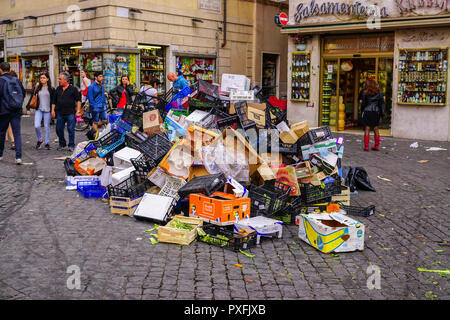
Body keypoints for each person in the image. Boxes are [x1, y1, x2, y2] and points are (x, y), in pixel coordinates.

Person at [0, 62, 26, 164]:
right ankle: (18, 157)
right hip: (16, 111)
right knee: (17, 134)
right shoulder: (17, 80)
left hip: (4, 111)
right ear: (9, 69)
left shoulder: (1, 81)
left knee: (2, 133)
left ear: (1, 70)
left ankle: (0, 154)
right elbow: (23, 93)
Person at [52, 72, 82, 152]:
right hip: (60, 113)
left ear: (65, 80)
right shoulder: (58, 89)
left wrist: (78, 111)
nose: (59, 80)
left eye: (60, 79)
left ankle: (71, 145)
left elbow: (78, 100)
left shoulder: (73, 89)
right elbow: (54, 101)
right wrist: (52, 111)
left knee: (71, 129)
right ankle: (62, 143)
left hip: (70, 113)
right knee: (58, 129)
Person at [26, 72, 55, 150]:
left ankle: (47, 143)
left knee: (46, 127)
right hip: (39, 110)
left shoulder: (51, 89)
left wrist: (53, 110)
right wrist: (28, 107)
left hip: (47, 111)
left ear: (47, 79)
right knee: (37, 125)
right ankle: (40, 140)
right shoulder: (37, 87)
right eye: (41, 78)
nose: (42, 79)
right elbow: (32, 97)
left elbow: (53, 101)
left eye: (44, 78)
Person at [360, 79, 385, 151]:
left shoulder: (365, 92)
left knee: (367, 128)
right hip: (376, 112)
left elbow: (364, 104)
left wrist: (362, 111)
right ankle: (376, 146)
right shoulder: (379, 92)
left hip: (367, 111)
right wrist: (382, 113)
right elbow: (382, 103)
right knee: (376, 129)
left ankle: (366, 146)